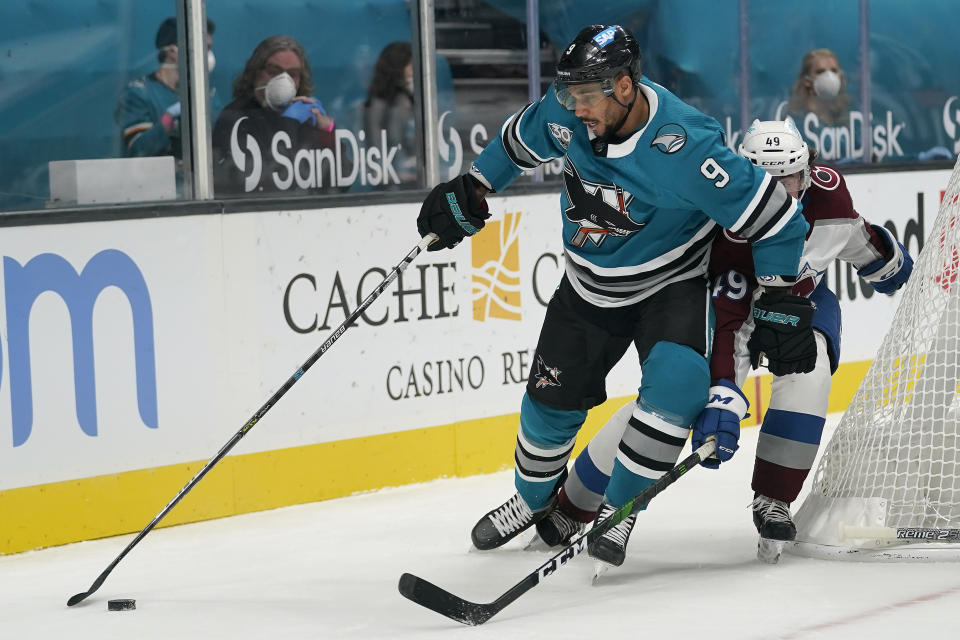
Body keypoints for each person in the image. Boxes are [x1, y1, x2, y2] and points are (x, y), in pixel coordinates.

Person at [415, 25, 817, 564]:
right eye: (569, 94)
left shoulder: (688, 144)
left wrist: (779, 298)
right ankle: (531, 500)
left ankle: (619, 512)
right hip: (586, 288)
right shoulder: (568, 109)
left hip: (670, 285)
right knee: (545, 411)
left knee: (678, 387)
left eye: (586, 95)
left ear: (624, 87)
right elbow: (517, 142)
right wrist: (472, 187)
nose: (573, 106)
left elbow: (778, 220)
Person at [540, 116, 914, 565]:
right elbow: (729, 319)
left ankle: (773, 497)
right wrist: (723, 398)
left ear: (807, 170)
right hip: (729, 311)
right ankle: (573, 504)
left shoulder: (827, 195)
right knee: (675, 405)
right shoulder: (726, 222)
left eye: (793, 178)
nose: (785, 193)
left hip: (802, 311)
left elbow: (854, 234)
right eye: (771, 183)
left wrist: (894, 268)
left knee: (809, 373)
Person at [212, 35, 337, 196]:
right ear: (256, 73)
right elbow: (266, 183)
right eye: (274, 72)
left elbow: (338, 183)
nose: (283, 80)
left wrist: (327, 132)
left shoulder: (304, 116)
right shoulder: (236, 118)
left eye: (293, 74)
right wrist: (287, 123)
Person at [115, 16, 217, 159]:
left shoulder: (206, 94)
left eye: (209, 48)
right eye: (203, 48)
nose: (208, 55)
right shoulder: (139, 93)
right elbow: (139, 150)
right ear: (172, 51)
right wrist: (169, 118)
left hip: (197, 181)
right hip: (158, 180)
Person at [364, 42, 417, 185]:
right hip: (395, 180)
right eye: (411, 66)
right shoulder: (381, 106)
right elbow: (388, 141)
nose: (414, 73)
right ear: (398, 68)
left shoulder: (408, 100)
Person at [785, 48, 852, 127]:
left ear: (840, 76)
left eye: (834, 71)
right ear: (807, 80)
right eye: (820, 71)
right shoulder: (796, 122)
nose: (829, 77)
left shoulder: (844, 119)